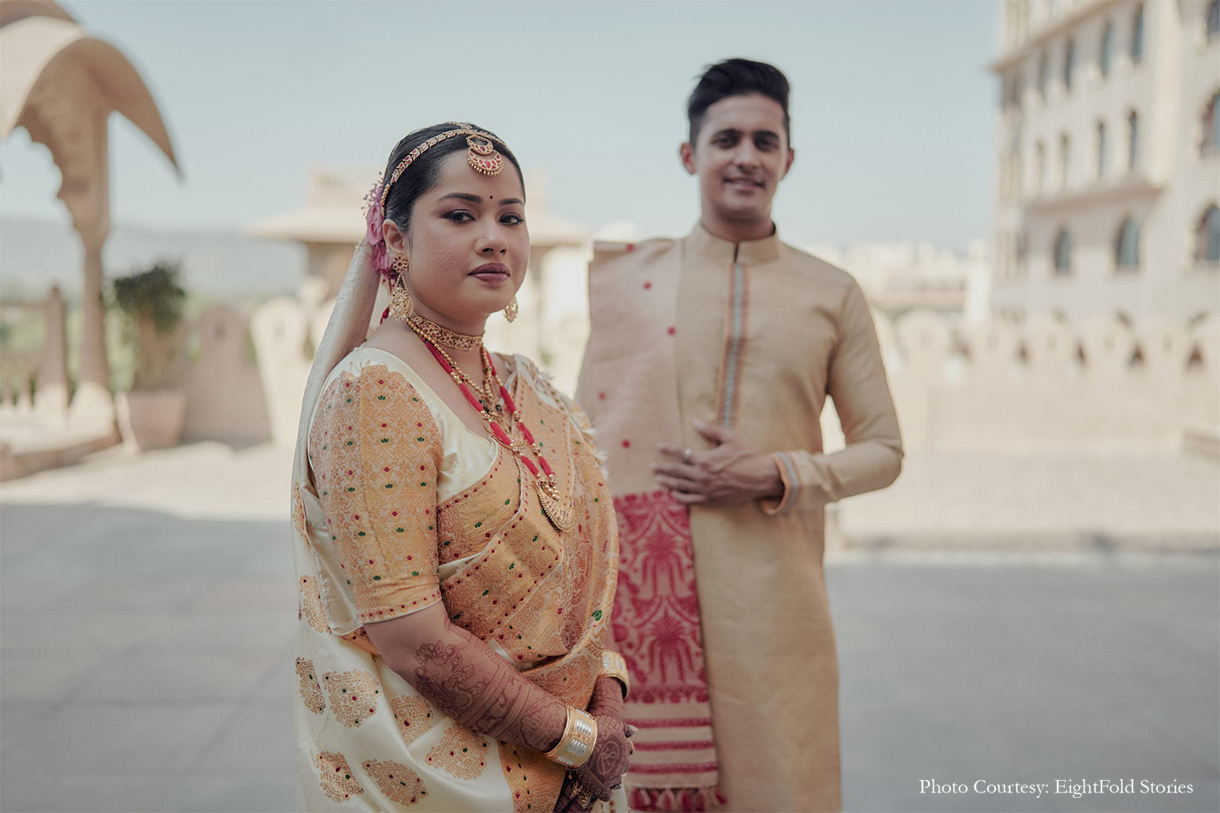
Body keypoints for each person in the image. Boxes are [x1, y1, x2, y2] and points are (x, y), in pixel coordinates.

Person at [576, 60, 904, 812]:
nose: (747, 156)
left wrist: (775, 473)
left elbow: (884, 449)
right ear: (691, 155)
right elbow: (582, 446)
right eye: (727, 138)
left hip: (775, 605)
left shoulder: (832, 293)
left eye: (766, 139)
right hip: (642, 602)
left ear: (789, 158)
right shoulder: (631, 282)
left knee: (778, 786)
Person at [290, 122, 634, 811]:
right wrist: (573, 740)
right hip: (450, 781)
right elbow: (416, 642)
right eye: (459, 214)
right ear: (392, 242)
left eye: (511, 216)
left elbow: (585, 586)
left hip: (577, 762)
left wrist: (609, 711)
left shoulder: (527, 384)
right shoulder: (375, 391)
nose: (494, 236)